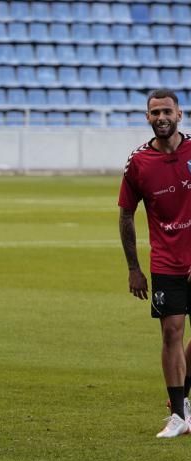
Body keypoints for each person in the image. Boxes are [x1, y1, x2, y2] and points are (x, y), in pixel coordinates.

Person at [118, 88, 191, 438]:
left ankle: (183, 398)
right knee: (171, 333)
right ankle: (178, 415)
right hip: (166, 261)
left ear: (179, 114)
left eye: (167, 111)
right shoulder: (138, 163)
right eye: (155, 112)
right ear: (147, 118)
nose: (161, 117)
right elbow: (126, 215)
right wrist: (134, 268)